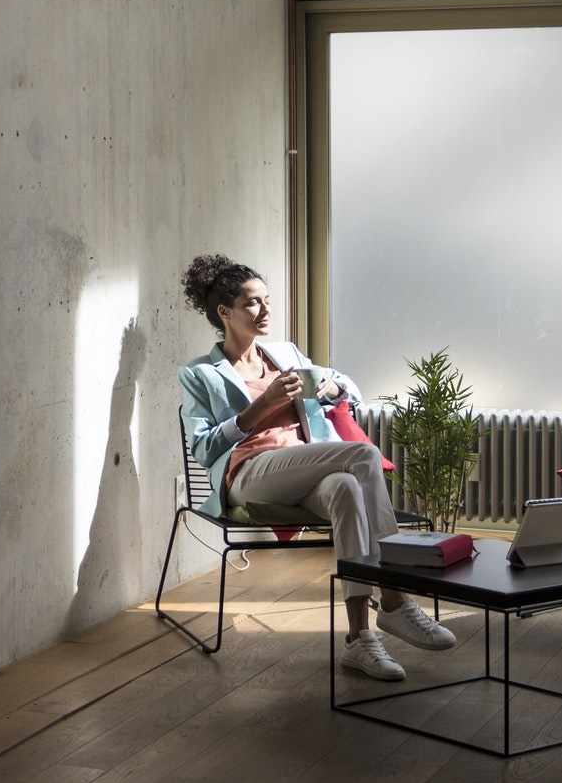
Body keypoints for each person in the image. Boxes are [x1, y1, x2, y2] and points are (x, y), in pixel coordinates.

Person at [177, 252, 455, 680]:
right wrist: (262, 405)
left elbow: (349, 388)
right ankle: (395, 599)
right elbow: (204, 448)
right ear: (224, 312)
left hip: (307, 468)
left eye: (267, 300)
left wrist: (331, 386)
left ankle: (359, 638)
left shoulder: (284, 353)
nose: (266, 310)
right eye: (253, 303)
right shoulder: (200, 374)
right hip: (250, 474)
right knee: (360, 455)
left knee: (345, 486)